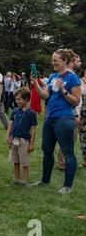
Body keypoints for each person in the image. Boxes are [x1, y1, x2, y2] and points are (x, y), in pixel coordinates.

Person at [30, 49, 81, 194]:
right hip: (50, 118)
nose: (52, 63)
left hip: (65, 118)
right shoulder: (53, 76)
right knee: (47, 150)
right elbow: (45, 96)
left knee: (68, 152)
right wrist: (35, 84)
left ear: (64, 61)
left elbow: (76, 101)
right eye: (52, 60)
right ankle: (45, 181)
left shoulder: (73, 78)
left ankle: (67, 186)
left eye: (55, 60)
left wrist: (64, 90)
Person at [56, 52, 82, 170]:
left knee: (71, 139)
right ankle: (62, 164)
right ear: (70, 62)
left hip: (73, 113)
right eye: (77, 61)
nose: (80, 63)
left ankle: (63, 162)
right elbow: (72, 99)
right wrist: (76, 114)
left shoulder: (73, 75)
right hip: (70, 114)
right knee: (67, 140)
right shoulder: (70, 77)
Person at [6, 88, 37, 186]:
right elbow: (10, 125)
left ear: (26, 99)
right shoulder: (15, 111)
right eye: (16, 99)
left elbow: (33, 129)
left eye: (19, 99)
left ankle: (24, 181)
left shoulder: (31, 113)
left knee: (25, 162)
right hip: (14, 139)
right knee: (15, 161)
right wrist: (8, 137)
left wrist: (31, 144)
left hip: (24, 141)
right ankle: (16, 179)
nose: (17, 101)